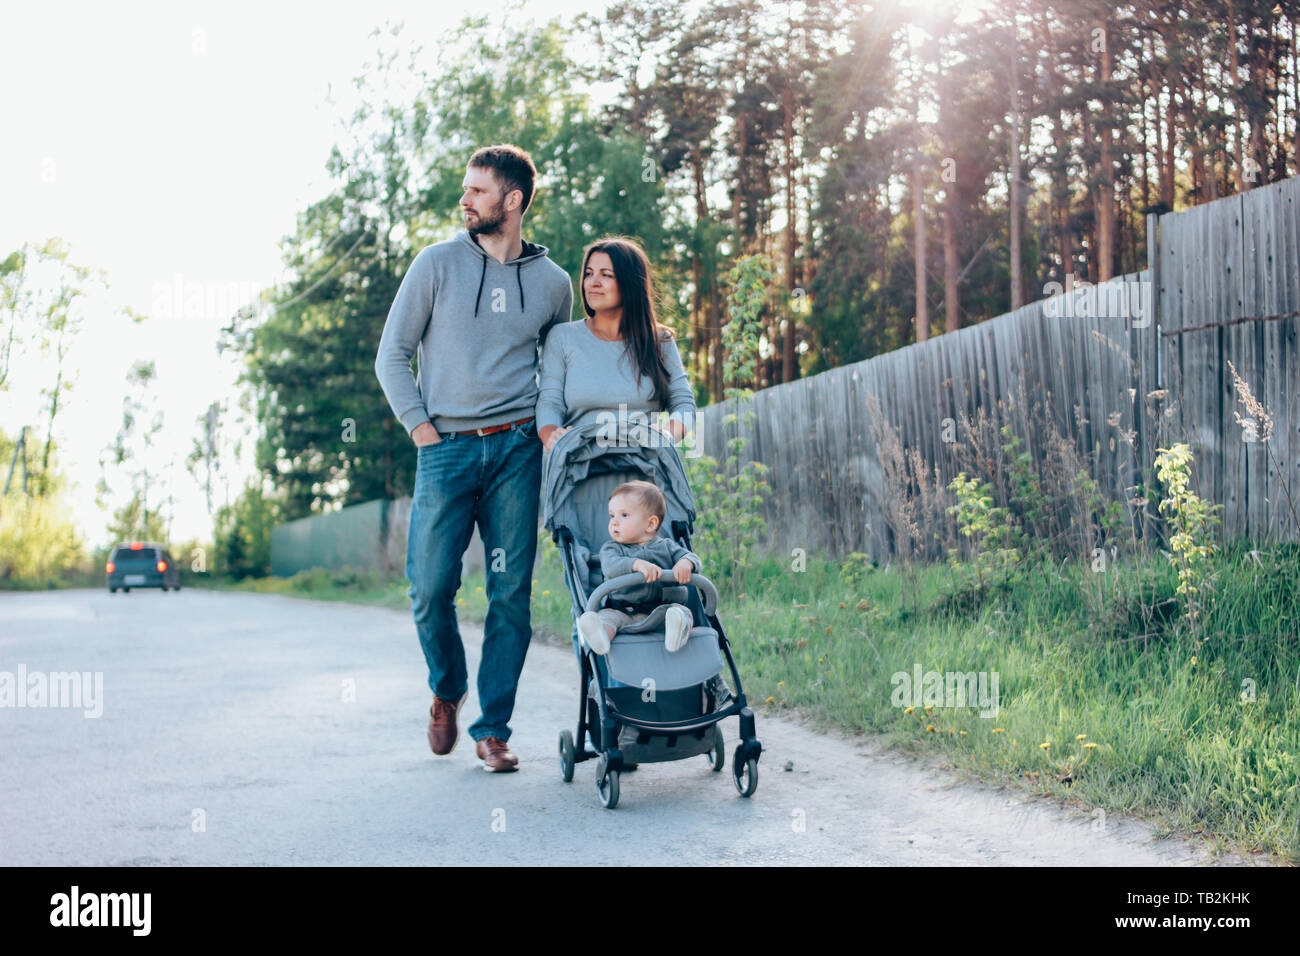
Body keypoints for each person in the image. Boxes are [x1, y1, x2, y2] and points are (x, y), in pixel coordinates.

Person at [374, 144, 573, 773]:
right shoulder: (435, 265)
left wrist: (547, 432)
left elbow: (561, 369)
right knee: (430, 588)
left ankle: (493, 729)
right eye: (465, 189)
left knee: (510, 594)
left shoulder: (553, 284)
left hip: (516, 451)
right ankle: (447, 687)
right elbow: (391, 356)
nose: (465, 200)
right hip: (446, 449)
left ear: (512, 202)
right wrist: (422, 430)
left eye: (478, 191)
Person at [578, 481, 702, 654]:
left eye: (624, 515)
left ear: (650, 524)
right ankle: (601, 638)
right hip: (623, 611)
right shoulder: (611, 549)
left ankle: (676, 634)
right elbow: (610, 566)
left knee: (682, 612)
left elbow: (690, 556)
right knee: (605, 618)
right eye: (612, 515)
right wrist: (635, 564)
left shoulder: (667, 546)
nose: (614, 522)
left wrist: (685, 563)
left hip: (661, 611)